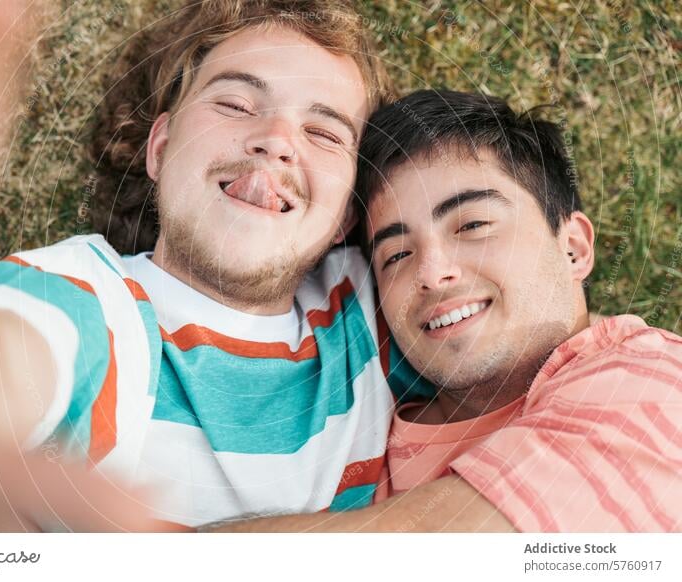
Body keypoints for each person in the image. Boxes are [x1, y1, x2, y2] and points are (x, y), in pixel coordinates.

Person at [0, 0, 437, 532]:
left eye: (326, 133)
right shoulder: (85, 302)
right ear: (161, 147)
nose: (277, 140)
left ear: (347, 213)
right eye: (236, 104)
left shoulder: (375, 305)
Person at [213, 89, 681, 532]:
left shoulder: (655, 380)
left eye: (473, 225)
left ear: (574, 248)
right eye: (395, 255)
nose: (432, 273)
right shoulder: (351, 429)